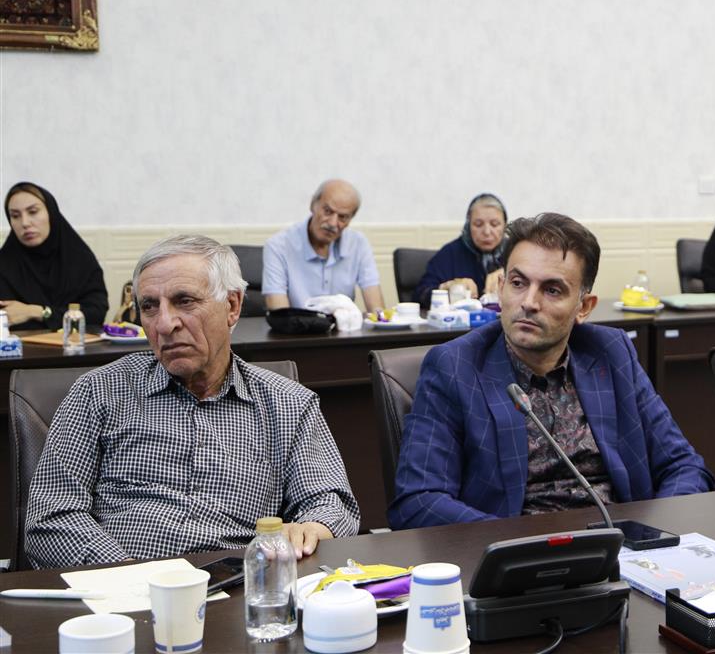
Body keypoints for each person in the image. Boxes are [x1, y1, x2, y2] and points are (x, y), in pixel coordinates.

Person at [24, 235, 360, 568]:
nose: (165, 324)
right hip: (119, 586)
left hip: (237, 585)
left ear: (232, 306)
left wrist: (312, 528)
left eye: (184, 301)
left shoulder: (288, 404)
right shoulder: (100, 391)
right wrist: (128, 575)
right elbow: (51, 516)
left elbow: (331, 503)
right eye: (149, 307)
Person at [388, 213, 714, 530]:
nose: (529, 302)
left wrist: (653, 534)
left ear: (584, 307)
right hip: (515, 552)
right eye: (518, 283)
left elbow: (684, 466)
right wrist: (516, 543)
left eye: (552, 290)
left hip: (621, 544)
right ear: (501, 288)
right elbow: (419, 501)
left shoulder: (611, 353)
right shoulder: (455, 366)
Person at [262, 179, 385, 312]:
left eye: (343, 217)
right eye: (327, 211)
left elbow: (377, 309)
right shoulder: (278, 246)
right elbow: (280, 314)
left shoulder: (358, 244)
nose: (332, 223)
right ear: (312, 205)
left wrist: (379, 318)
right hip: (296, 325)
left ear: (350, 219)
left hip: (344, 324)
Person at [0, 182, 108, 330]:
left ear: (51, 213)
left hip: (77, 344)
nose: (24, 223)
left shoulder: (79, 259)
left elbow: (96, 314)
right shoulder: (4, 265)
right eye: (15, 216)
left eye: (33, 212)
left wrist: (37, 312)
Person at [413, 193, 508, 307]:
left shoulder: (515, 251)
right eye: (478, 224)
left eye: (495, 224)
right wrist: (447, 288)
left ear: (505, 226)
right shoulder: (450, 253)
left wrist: (509, 274)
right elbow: (420, 294)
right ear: (468, 225)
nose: (487, 232)